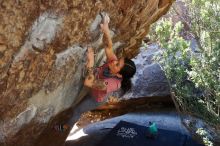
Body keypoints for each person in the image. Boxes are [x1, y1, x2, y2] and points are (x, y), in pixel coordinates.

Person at [84, 14, 136, 103]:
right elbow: (109, 48)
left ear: (119, 75)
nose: (114, 61)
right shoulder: (114, 63)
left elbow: (88, 83)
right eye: (118, 59)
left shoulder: (113, 84)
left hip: (96, 98)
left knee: (79, 109)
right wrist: (106, 30)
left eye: (117, 64)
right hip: (94, 78)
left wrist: (91, 60)